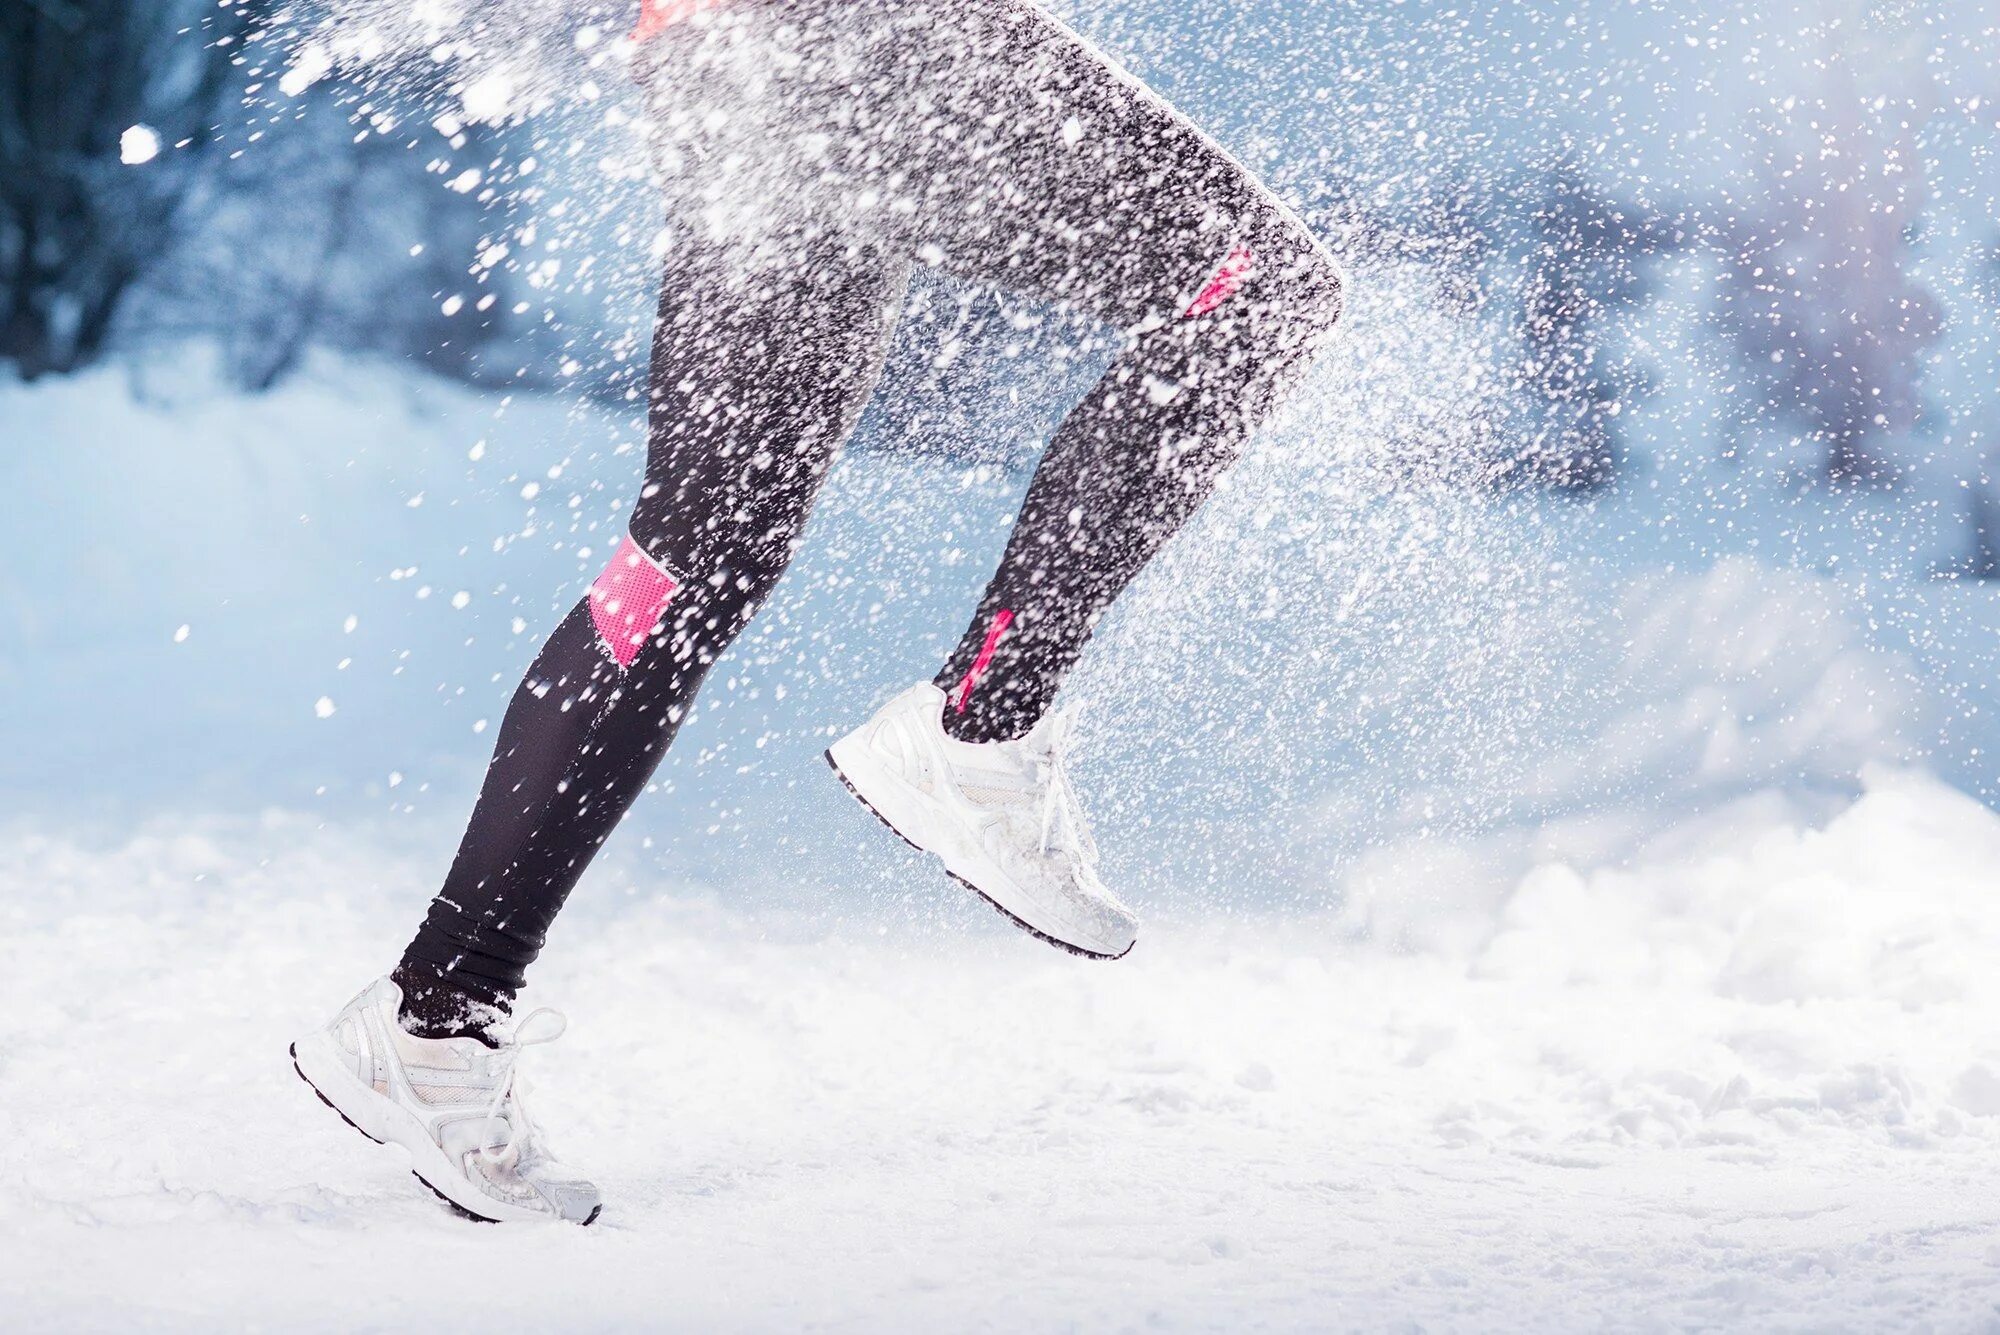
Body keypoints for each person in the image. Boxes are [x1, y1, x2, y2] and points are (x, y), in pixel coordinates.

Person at [291, 0, 1343, 1224]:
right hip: (868, 39)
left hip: (730, 70)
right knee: (1256, 290)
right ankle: (980, 731)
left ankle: (438, 1016)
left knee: (693, 558)